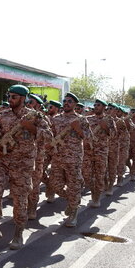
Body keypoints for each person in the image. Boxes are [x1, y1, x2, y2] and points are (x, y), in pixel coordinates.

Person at [0, 85, 50, 249]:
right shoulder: (2, 114)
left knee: (20, 198)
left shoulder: (34, 116)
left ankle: (18, 233)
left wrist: (31, 127)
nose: (10, 99)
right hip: (1, 161)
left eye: (14, 96)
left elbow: (48, 137)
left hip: (22, 164)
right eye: (9, 96)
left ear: (22, 98)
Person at [46, 93, 91, 227]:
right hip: (57, 157)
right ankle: (73, 200)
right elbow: (50, 135)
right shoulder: (56, 119)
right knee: (54, 184)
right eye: (64, 101)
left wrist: (78, 130)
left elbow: (89, 139)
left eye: (69, 101)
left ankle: (73, 212)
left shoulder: (82, 120)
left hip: (73, 159)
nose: (66, 103)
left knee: (73, 185)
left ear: (75, 105)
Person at [82, 99, 115, 208]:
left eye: (98, 105)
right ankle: (93, 193)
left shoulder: (109, 120)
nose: (96, 106)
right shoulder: (88, 119)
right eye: (95, 105)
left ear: (104, 107)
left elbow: (114, 135)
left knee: (99, 176)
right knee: (86, 175)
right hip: (88, 151)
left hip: (101, 152)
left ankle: (96, 198)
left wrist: (105, 126)